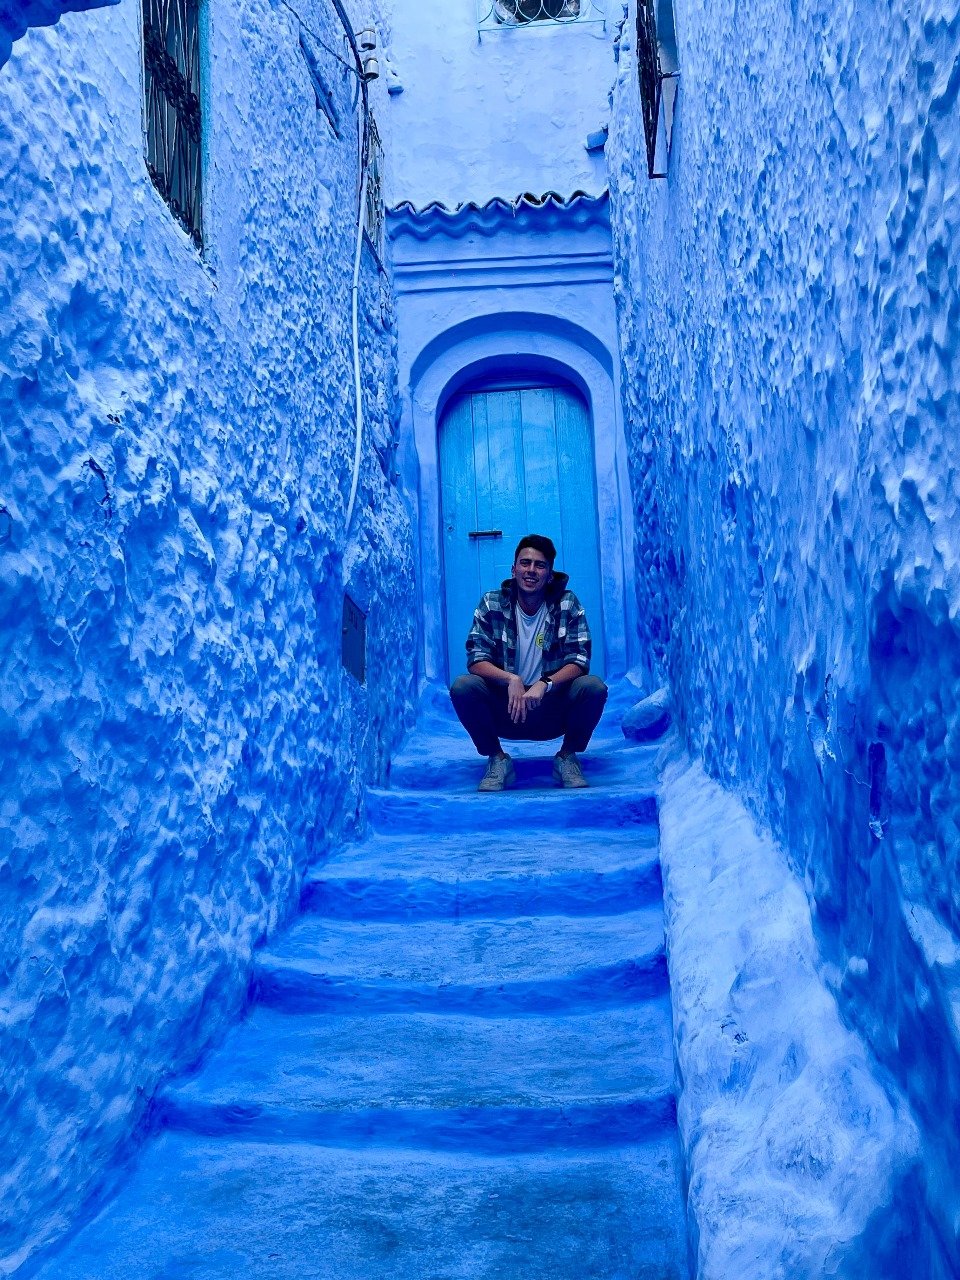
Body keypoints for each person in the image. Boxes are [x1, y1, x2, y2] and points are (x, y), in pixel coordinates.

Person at [449, 534, 608, 791]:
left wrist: (545, 683)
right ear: (513, 569)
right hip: (507, 708)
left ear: (549, 574)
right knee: (463, 687)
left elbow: (579, 659)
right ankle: (498, 760)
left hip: (551, 709)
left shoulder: (567, 603)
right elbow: (476, 658)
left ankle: (567, 758)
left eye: (540, 565)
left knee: (593, 687)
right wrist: (511, 679)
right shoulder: (492, 603)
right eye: (525, 563)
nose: (531, 570)